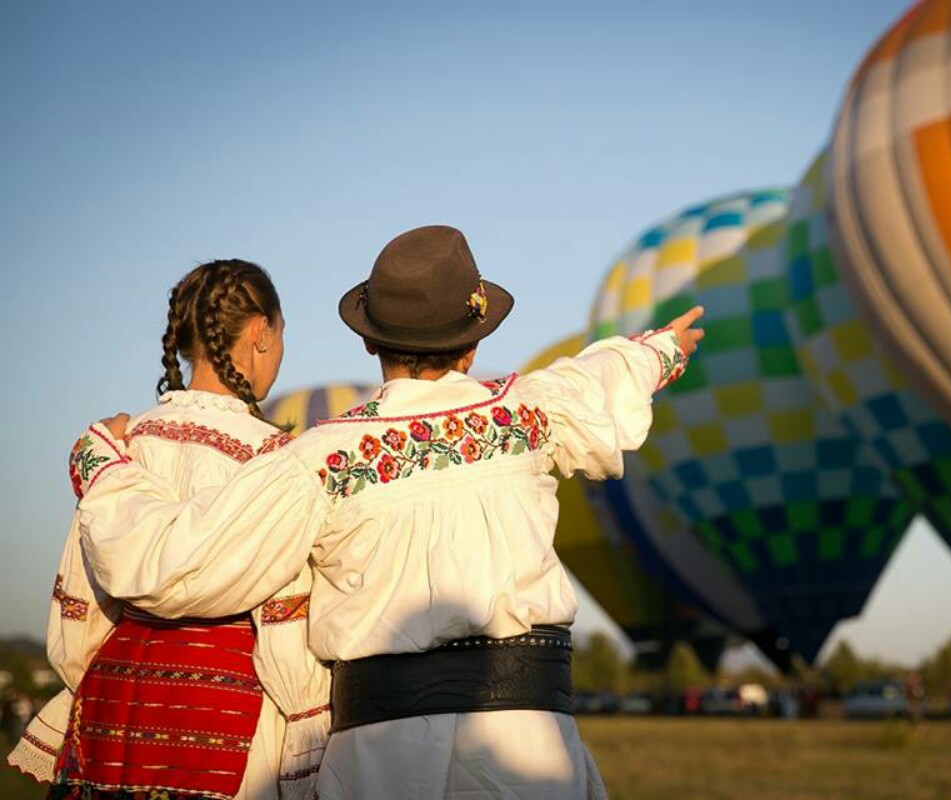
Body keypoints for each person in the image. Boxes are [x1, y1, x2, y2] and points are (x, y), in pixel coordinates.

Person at [69, 225, 703, 799]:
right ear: (473, 344)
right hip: (529, 745)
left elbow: (173, 563)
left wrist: (105, 465)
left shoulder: (320, 458)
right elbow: (599, 378)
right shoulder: (529, 414)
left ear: (371, 340)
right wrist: (661, 350)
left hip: (381, 755)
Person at [6, 260, 330, 800]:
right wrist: (308, 716)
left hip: (116, 701)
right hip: (225, 701)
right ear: (260, 334)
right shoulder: (274, 462)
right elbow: (284, 620)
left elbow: (83, 605)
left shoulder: (118, 447)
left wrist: (88, 678)